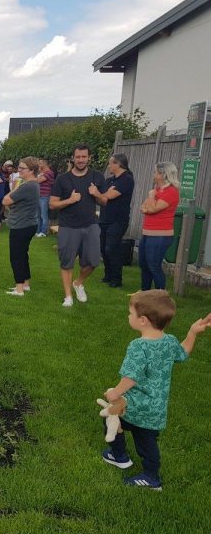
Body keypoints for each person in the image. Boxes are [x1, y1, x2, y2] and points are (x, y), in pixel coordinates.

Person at [100, 290, 211, 490]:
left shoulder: (138, 346)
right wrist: (192, 332)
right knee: (145, 439)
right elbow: (183, 353)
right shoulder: (168, 341)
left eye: (130, 313)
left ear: (143, 320)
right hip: (157, 407)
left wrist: (115, 393)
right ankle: (124, 459)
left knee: (113, 417)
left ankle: (146, 474)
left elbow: (130, 378)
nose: (128, 316)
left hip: (136, 405)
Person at [49, 144, 107, 307]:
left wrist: (97, 194)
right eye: (78, 157)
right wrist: (70, 200)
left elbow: (104, 202)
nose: (81, 160)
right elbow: (52, 204)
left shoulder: (97, 176)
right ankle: (68, 296)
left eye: (84, 157)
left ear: (89, 158)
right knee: (66, 262)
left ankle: (79, 283)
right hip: (68, 226)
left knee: (93, 261)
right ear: (73, 158)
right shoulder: (63, 178)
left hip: (90, 225)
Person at [92, 154, 135, 288]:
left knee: (112, 248)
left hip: (118, 220)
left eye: (111, 163)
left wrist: (99, 193)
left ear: (118, 164)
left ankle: (117, 279)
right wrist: (101, 194)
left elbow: (109, 196)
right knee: (103, 249)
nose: (109, 166)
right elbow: (102, 198)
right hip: (104, 218)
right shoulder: (110, 180)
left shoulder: (127, 179)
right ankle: (108, 276)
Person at [138, 161, 181, 290]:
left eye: (155, 172)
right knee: (144, 264)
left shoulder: (171, 192)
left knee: (153, 266)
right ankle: (145, 293)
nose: (153, 174)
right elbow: (143, 208)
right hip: (147, 233)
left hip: (160, 236)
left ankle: (160, 296)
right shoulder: (157, 190)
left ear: (163, 174)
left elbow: (152, 209)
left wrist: (151, 198)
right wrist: (149, 205)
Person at [3, 157, 40, 296]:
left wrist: (15, 187)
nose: (19, 170)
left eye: (22, 168)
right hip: (28, 224)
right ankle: (25, 285)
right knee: (23, 255)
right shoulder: (33, 184)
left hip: (21, 225)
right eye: (19, 167)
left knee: (16, 256)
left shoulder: (27, 185)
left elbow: (5, 200)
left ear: (31, 170)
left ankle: (19, 289)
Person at [36, 159, 55, 237]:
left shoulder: (49, 172)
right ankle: (38, 231)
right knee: (38, 215)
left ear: (44, 164)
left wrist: (38, 176)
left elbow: (38, 181)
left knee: (44, 215)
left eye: (40, 163)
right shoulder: (42, 173)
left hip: (45, 196)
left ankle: (43, 232)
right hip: (39, 195)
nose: (38, 164)